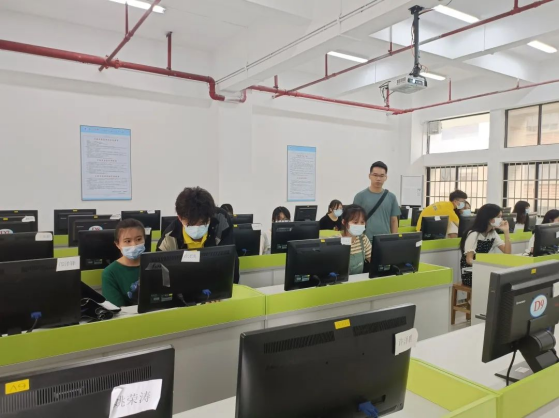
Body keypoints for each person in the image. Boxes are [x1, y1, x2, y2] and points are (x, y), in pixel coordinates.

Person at [158, 187, 239, 284]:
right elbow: (160, 277)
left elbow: (230, 260)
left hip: (216, 284)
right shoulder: (169, 238)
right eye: (191, 224)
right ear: (180, 218)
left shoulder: (222, 220)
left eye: (202, 223)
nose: (197, 227)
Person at [460, 204, 512, 287]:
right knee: (496, 283)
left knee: (504, 281)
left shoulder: (493, 233)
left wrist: (506, 232)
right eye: (498, 217)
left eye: (501, 217)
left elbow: (507, 253)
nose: (501, 220)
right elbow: (469, 260)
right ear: (489, 218)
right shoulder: (474, 234)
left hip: (484, 269)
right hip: (470, 272)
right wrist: (485, 266)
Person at [102, 219, 146, 307]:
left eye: (139, 239)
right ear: (117, 244)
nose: (134, 245)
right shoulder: (110, 273)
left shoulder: (155, 264)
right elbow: (117, 309)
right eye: (127, 241)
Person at [353, 161, 401, 241]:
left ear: (386, 177)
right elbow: (353, 221)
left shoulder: (391, 197)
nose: (378, 179)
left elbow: (393, 220)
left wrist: (394, 239)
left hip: (385, 240)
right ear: (369, 176)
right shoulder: (360, 196)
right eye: (375, 175)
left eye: (382, 176)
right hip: (365, 241)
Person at [340, 205, 372, 275]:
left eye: (362, 222)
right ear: (344, 222)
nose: (359, 225)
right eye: (355, 222)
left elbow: (372, 259)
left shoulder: (363, 238)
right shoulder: (336, 241)